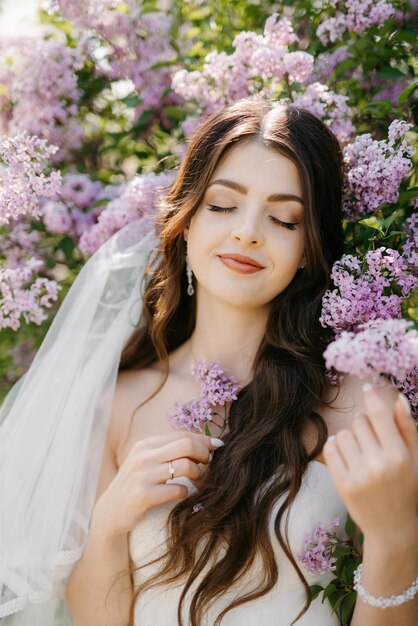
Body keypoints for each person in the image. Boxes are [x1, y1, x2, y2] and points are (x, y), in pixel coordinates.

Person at [1, 99, 417, 626]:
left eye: (284, 218)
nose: (247, 231)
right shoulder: (117, 403)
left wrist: (394, 538)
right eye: (222, 205)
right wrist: (109, 522)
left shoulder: (360, 403)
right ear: (188, 219)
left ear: (310, 246)